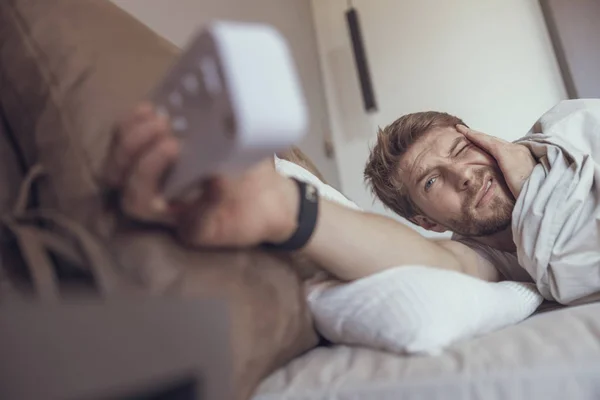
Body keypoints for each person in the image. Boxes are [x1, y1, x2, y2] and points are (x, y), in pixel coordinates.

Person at [103, 103, 537, 285]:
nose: (462, 174)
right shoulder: (481, 259)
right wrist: (281, 205)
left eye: (462, 150)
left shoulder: (558, 143)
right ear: (427, 222)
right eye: (430, 181)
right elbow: (432, 262)